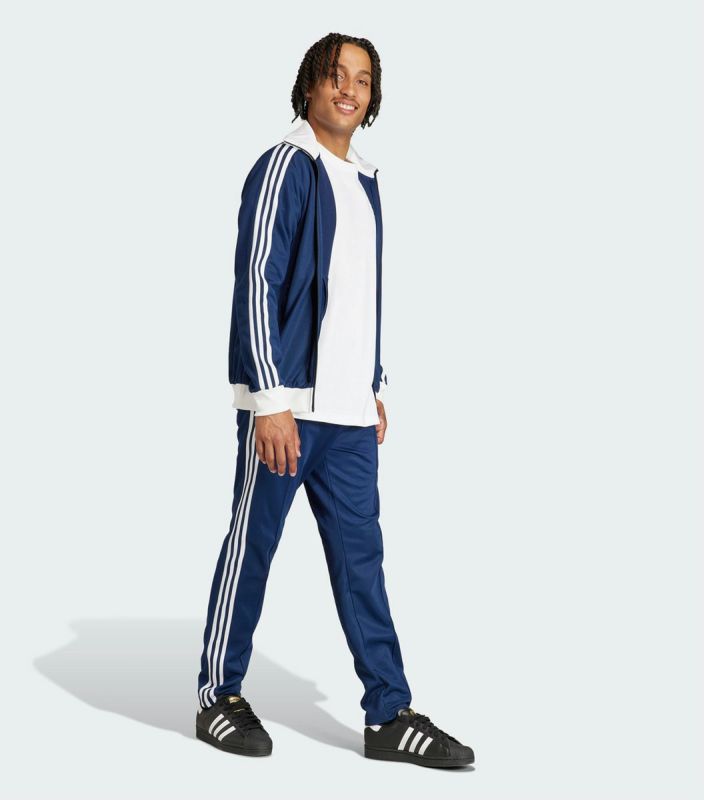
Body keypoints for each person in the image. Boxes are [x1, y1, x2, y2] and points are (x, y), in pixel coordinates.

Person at [195, 33, 475, 769]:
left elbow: (355, 295)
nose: (348, 89)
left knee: (363, 565)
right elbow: (256, 281)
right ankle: (216, 695)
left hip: (349, 414)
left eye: (362, 79)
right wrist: (269, 399)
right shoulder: (284, 165)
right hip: (287, 406)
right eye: (335, 75)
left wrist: (371, 385)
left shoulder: (366, 179)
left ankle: (389, 713)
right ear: (310, 85)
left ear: (372, 97)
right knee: (253, 546)